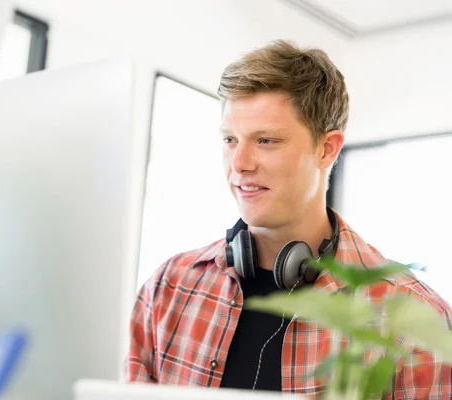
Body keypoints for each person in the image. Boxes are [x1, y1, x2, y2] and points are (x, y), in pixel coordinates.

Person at [126, 40, 452, 398]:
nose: (240, 164)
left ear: (327, 148)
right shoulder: (169, 288)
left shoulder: (414, 319)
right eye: (230, 139)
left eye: (266, 140)